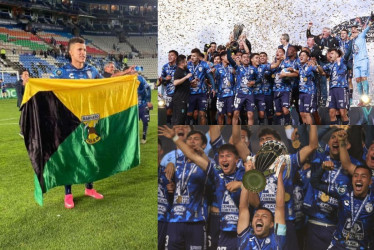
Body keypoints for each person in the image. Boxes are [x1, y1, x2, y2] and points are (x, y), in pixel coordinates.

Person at [51, 37, 104, 209]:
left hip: (90, 119)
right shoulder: (62, 73)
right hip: (69, 121)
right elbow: (47, 89)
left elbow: (106, 85)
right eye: (79, 50)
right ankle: (68, 193)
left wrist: (125, 79)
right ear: (70, 52)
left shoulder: (93, 71)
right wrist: (31, 84)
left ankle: (89, 188)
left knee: (90, 152)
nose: (83, 53)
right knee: (70, 156)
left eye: (85, 50)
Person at [158, 126, 214, 250]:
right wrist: (171, 187)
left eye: (196, 139)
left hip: (197, 220)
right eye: (189, 139)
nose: (192, 141)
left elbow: (212, 182)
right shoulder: (176, 162)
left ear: (204, 145)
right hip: (175, 220)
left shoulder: (209, 162)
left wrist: (174, 136)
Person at [311, 163, 374, 249]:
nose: (359, 179)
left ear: (370, 181)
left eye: (363, 176)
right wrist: (322, 168)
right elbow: (315, 182)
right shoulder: (343, 192)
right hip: (339, 246)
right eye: (355, 176)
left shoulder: (372, 199)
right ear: (352, 179)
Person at [237, 157, 287, 249]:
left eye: (264, 216)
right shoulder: (245, 237)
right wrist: (248, 173)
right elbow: (243, 207)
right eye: (256, 216)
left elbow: (280, 207)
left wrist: (279, 174)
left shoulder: (277, 239)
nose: (259, 218)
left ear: (272, 224)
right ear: (252, 223)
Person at [187, 48, 215, 125]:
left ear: (198, 57)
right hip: (191, 93)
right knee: (190, 114)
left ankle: (203, 131)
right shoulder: (188, 65)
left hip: (202, 93)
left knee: (202, 114)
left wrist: (213, 88)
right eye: (191, 56)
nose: (192, 58)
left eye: (194, 56)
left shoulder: (204, 64)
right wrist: (190, 83)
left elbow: (210, 77)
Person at [321, 48, 349, 125]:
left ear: (338, 55)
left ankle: (347, 130)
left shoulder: (343, 61)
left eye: (332, 53)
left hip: (341, 89)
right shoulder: (329, 65)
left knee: (342, 113)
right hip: (332, 90)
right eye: (330, 53)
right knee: (331, 113)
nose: (330, 55)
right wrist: (316, 65)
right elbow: (321, 70)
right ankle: (334, 130)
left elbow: (348, 53)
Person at [350, 18, 373, 106]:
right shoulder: (352, 41)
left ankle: (366, 98)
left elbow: (367, 28)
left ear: (358, 31)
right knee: (358, 80)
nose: (353, 32)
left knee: (364, 78)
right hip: (356, 63)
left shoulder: (361, 36)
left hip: (363, 60)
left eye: (355, 31)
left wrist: (371, 21)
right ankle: (361, 99)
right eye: (352, 32)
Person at [172, 55, 192, 125]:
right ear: (182, 63)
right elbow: (175, 82)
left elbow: (185, 83)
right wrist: (186, 77)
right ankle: (175, 134)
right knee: (179, 119)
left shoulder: (186, 70)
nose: (187, 63)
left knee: (183, 118)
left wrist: (192, 83)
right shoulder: (178, 71)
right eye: (186, 61)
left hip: (185, 98)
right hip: (179, 99)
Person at [160, 50, 178, 124]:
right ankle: (169, 125)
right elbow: (161, 79)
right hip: (169, 93)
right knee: (168, 112)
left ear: (176, 57)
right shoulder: (165, 67)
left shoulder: (180, 67)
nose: (169, 57)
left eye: (172, 55)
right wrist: (165, 78)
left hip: (179, 93)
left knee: (179, 112)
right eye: (169, 55)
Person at [137, 75, 153, 144]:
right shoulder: (125, 79)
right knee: (133, 123)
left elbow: (148, 88)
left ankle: (144, 138)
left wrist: (148, 101)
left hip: (143, 104)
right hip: (133, 106)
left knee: (145, 122)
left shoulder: (140, 78)